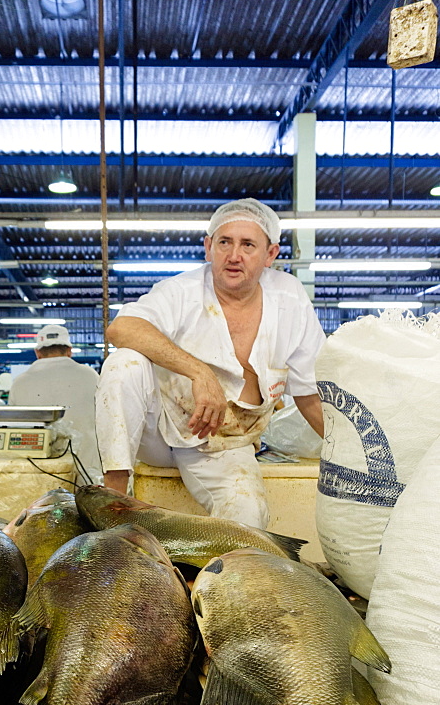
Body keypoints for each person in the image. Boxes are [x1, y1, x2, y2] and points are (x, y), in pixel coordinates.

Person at [95, 198, 326, 528]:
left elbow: (309, 394)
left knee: (249, 515)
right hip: (159, 429)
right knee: (124, 363)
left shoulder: (289, 300)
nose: (234, 256)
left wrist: (346, 457)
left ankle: (214, 579)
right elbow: (121, 328)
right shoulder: (182, 290)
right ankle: (113, 499)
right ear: (208, 247)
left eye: (248, 245)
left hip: (223, 442)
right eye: (224, 243)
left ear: (270, 255)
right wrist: (199, 373)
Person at [8, 324, 101, 481]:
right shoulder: (90, 376)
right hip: (86, 473)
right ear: (69, 351)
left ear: (37, 353)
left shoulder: (19, 382)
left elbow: (13, 429)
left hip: (36, 474)